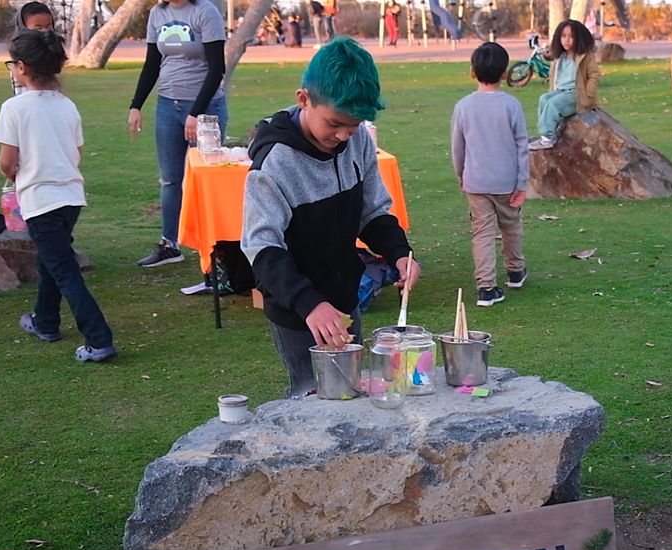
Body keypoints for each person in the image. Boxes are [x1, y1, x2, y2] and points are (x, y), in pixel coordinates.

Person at [240, 38, 421, 399]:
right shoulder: (274, 163)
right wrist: (310, 304)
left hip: (345, 294)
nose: (343, 136)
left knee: (351, 394)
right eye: (335, 124)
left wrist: (399, 252)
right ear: (304, 99)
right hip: (297, 308)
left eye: (353, 127)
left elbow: (371, 212)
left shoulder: (358, 141)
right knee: (312, 398)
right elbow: (261, 247)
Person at [0, 30, 117, 363]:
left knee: (64, 269)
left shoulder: (14, 108)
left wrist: (12, 173)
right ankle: (45, 321)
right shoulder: (66, 106)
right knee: (52, 260)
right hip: (70, 196)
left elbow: (7, 161)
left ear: (21, 67)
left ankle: (98, 338)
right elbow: (75, 150)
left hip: (40, 198)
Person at [127, 0, 227, 269]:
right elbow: (151, 65)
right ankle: (170, 245)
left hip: (206, 108)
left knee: (208, 178)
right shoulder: (158, 14)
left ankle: (218, 250)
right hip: (167, 106)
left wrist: (196, 113)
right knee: (170, 179)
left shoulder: (205, 12)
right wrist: (136, 105)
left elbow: (217, 68)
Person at [451, 42, 529, 308]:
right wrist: (522, 182)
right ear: (505, 73)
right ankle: (515, 271)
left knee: (482, 232)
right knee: (511, 225)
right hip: (506, 181)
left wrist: (461, 174)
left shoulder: (463, 106)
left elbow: (457, 146)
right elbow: (522, 145)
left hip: (476, 181)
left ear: (473, 72)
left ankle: (486, 287)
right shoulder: (511, 105)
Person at [528, 19, 601, 151]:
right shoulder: (560, 55)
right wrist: (545, 55)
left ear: (580, 38)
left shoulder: (585, 56)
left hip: (576, 93)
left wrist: (588, 94)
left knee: (553, 104)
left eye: (572, 36)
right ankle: (548, 132)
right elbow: (551, 59)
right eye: (564, 36)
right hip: (560, 91)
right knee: (544, 99)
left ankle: (547, 138)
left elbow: (594, 75)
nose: (567, 40)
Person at [9, 2, 55, 96]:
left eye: (49, 27)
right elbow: (20, 93)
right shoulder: (20, 58)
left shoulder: (53, 53)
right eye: (38, 28)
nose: (45, 32)